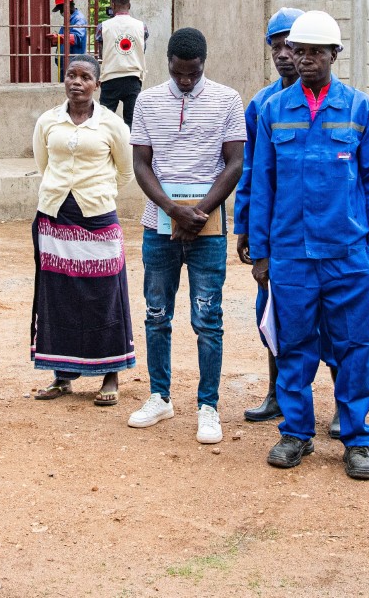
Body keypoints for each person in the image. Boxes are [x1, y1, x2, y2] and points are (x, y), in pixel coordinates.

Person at [248, 10, 369, 481]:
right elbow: (261, 181)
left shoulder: (359, 109)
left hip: (347, 254)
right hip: (290, 254)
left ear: (334, 55)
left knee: (353, 345)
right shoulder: (273, 111)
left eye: (315, 52)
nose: (304, 60)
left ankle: (357, 439)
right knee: (294, 345)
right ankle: (295, 433)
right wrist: (261, 250)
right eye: (298, 51)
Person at [127, 28, 245, 445]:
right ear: (168, 63)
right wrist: (172, 209)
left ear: (203, 64)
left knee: (207, 318)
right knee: (157, 313)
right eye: (179, 73)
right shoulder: (147, 101)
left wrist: (200, 211)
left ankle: (207, 406)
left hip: (208, 228)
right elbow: (141, 163)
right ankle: (160, 396)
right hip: (159, 224)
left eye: (193, 74)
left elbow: (234, 163)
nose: (186, 81)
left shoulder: (228, 99)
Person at [30, 54, 135, 405]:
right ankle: (62, 376)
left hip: (98, 219)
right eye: (71, 76)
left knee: (105, 295)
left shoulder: (112, 125)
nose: (76, 82)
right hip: (55, 217)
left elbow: (125, 171)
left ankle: (110, 376)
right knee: (57, 295)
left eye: (85, 77)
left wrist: (98, 195)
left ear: (97, 85)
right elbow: (43, 165)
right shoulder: (48, 121)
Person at [236, 8, 304, 425]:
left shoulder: (338, 103)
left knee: (328, 319)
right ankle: (276, 394)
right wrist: (245, 227)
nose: (283, 54)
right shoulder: (262, 104)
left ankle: (331, 406)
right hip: (274, 229)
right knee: (271, 311)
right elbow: (250, 171)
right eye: (276, 46)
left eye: (291, 46)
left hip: (317, 231)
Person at [97, 0, 147, 126]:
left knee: (104, 122)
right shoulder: (142, 27)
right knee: (131, 122)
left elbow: (102, 53)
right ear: (129, 5)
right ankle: (129, 148)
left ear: (113, 5)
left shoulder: (103, 27)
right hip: (133, 78)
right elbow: (142, 50)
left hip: (110, 78)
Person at [49, 0, 88, 82]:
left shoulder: (78, 19)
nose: (61, 12)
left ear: (67, 5)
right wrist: (54, 40)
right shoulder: (69, 20)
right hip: (66, 62)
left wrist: (59, 37)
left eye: (61, 9)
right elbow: (64, 39)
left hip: (74, 62)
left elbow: (77, 37)